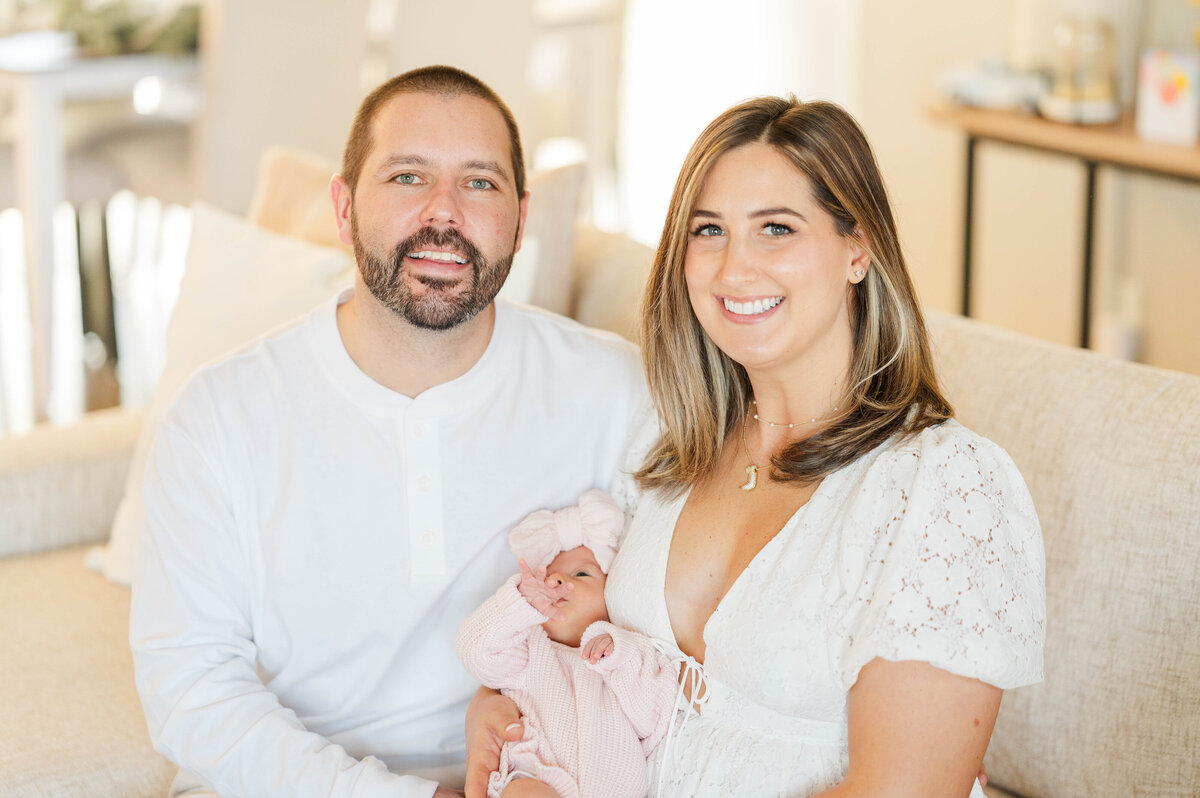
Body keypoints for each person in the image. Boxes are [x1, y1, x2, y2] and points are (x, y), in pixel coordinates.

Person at [466, 95, 1045, 798]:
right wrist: (499, 714)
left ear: (858, 248)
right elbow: (587, 659)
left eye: (776, 228)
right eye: (709, 230)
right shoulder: (665, 450)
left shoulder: (944, 485)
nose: (734, 269)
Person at [129, 65, 647, 798]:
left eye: (480, 183)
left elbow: (672, 639)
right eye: (407, 177)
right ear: (343, 209)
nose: (444, 213)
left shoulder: (616, 391)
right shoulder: (220, 414)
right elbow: (190, 689)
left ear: (522, 220)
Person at [456, 489, 676, 798]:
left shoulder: (623, 650)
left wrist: (618, 655)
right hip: (535, 779)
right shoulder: (526, 648)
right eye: (548, 576)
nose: (558, 580)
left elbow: (654, 716)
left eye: (582, 573)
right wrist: (518, 604)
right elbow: (474, 650)